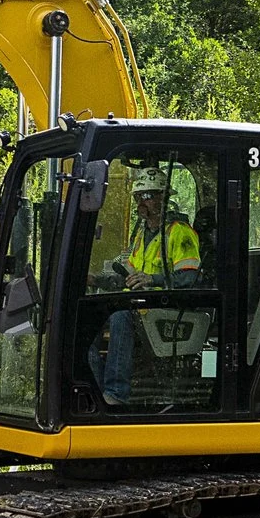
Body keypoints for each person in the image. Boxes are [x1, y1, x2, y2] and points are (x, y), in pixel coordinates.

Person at [95, 170, 202, 405]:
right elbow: (130, 273)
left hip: (167, 307)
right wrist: (98, 280)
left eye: (148, 195)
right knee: (88, 316)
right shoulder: (142, 235)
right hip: (142, 305)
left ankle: (116, 393)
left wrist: (152, 280)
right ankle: (94, 388)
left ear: (163, 197)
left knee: (121, 315)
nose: (141, 202)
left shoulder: (179, 233)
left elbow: (189, 278)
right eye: (138, 197)